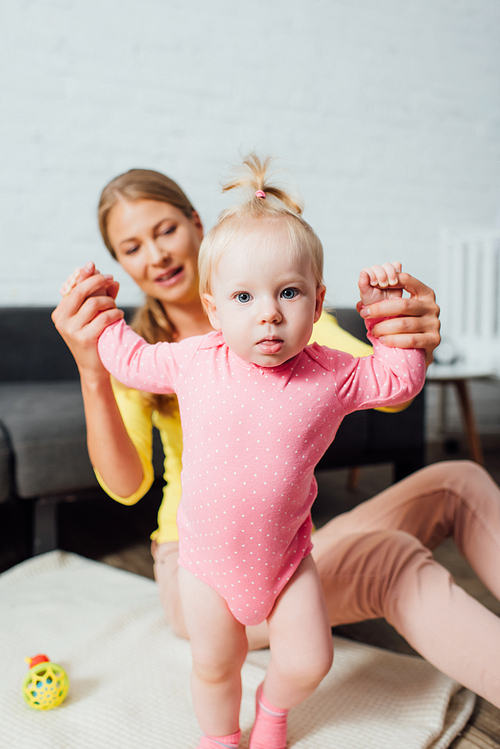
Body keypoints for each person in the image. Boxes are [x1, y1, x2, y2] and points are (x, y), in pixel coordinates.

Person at [52, 162, 500, 712]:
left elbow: (389, 390)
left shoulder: (298, 334)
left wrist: (402, 334)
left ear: (197, 225)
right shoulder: (160, 359)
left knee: (459, 479)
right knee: (391, 560)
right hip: (196, 564)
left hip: (284, 547)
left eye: (165, 230)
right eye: (133, 246)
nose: (157, 254)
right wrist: (93, 369)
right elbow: (126, 486)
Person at [95, 154, 425, 749]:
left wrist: (384, 320)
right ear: (214, 309)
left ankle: (273, 710)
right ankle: (220, 738)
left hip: (287, 558)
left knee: (309, 661)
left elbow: (397, 381)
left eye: (289, 292)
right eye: (244, 297)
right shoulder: (195, 358)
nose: (269, 312)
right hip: (203, 562)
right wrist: (102, 317)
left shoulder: (332, 372)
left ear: (318, 303)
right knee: (214, 666)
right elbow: (132, 360)